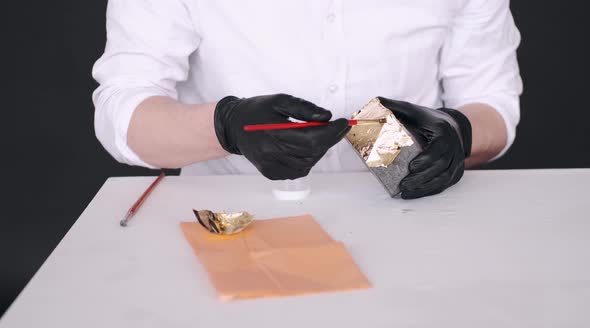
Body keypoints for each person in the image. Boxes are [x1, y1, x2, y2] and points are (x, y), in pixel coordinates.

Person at [93, 0, 522, 199]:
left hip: (405, 217)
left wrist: (460, 132)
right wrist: (226, 126)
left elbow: (491, 100)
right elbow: (123, 110)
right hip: (234, 219)